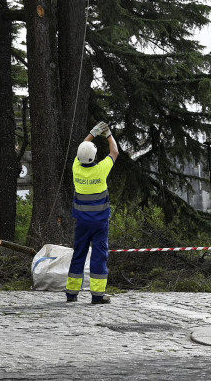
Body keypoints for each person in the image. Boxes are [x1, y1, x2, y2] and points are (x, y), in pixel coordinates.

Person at [65, 121, 119, 304]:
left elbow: (81, 150)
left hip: (81, 222)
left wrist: (92, 133)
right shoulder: (101, 170)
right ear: (95, 156)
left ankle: (71, 293)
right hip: (100, 223)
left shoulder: (76, 169)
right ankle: (97, 295)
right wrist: (108, 134)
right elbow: (115, 153)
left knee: (78, 253)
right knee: (99, 255)